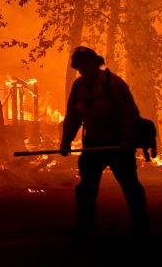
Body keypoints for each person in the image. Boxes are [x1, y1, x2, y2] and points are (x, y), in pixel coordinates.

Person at [60, 46, 151, 237]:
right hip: (93, 144)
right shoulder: (78, 87)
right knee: (86, 188)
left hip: (118, 144)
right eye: (80, 65)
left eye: (87, 63)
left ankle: (142, 226)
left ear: (95, 63)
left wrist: (127, 140)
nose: (84, 68)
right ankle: (84, 226)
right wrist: (66, 141)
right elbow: (73, 117)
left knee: (130, 185)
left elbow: (130, 114)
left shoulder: (113, 83)